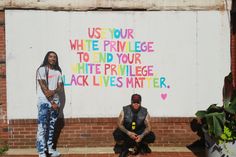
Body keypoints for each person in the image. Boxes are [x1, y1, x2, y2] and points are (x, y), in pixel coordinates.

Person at [36, 51, 63, 157]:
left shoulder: (58, 71)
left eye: (54, 57)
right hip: (44, 102)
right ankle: (41, 152)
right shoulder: (42, 70)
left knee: (51, 127)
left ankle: (50, 149)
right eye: (51, 56)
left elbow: (60, 87)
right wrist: (52, 102)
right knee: (42, 127)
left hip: (55, 102)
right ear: (47, 58)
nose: (53, 58)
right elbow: (44, 88)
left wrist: (53, 92)